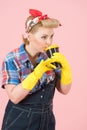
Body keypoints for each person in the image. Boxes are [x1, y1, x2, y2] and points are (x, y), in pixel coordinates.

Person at [1, 9, 72, 130]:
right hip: (19, 120)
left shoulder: (50, 55)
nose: (49, 42)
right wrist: (38, 71)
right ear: (29, 36)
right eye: (44, 37)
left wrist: (66, 69)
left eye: (51, 36)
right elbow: (14, 97)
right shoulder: (12, 59)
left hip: (46, 119)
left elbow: (64, 90)